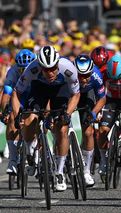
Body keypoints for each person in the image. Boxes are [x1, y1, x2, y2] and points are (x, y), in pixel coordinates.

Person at [12, 45, 80, 192]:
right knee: (29, 119)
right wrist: (17, 115)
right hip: (39, 90)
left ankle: (59, 172)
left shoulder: (67, 68)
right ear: (40, 66)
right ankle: (31, 150)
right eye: (46, 69)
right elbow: (17, 92)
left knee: (62, 129)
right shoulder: (32, 69)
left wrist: (67, 113)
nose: (50, 73)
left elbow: (76, 94)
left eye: (53, 68)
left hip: (60, 91)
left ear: (58, 63)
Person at [1, 49, 36, 174]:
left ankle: (36, 148)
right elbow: (6, 93)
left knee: (34, 118)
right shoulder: (12, 72)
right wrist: (4, 110)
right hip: (19, 96)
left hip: (35, 94)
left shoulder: (38, 68)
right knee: (11, 118)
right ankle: (13, 159)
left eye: (26, 69)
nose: (23, 72)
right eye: (21, 69)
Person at [73, 54, 106, 187]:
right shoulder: (69, 73)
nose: (84, 79)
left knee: (88, 132)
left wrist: (93, 113)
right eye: (80, 75)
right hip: (69, 92)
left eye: (87, 75)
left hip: (87, 96)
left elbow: (102, 98)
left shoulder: (96, 76)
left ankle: (86, 171)